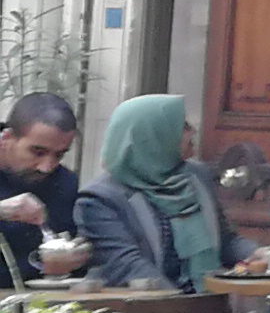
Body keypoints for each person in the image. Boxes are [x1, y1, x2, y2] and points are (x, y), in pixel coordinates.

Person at [74, 96, 228, 288]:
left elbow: (226, 241)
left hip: (205, 298)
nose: (193, 132)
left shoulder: (197, 176)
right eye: (183, 126)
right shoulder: (99, 200)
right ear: (152, 134)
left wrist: (257, 255)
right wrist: (185, 302)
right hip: (145, 301)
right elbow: (128, 266)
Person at [0, 93, 81, 284]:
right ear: (7, 138)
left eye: (59, 155)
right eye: (38, 152)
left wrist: (74, 257)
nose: (46, 167)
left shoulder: (64, 183)